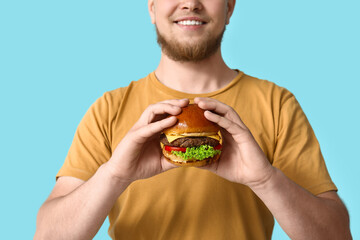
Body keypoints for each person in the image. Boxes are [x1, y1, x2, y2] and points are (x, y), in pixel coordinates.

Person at [35, 0, 352, 239]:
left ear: (229, 8)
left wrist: (265, 180)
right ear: (152, 8)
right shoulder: (109, 109)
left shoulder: (277, 105)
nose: (190, 3)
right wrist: (115, 175)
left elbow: (337, 234)